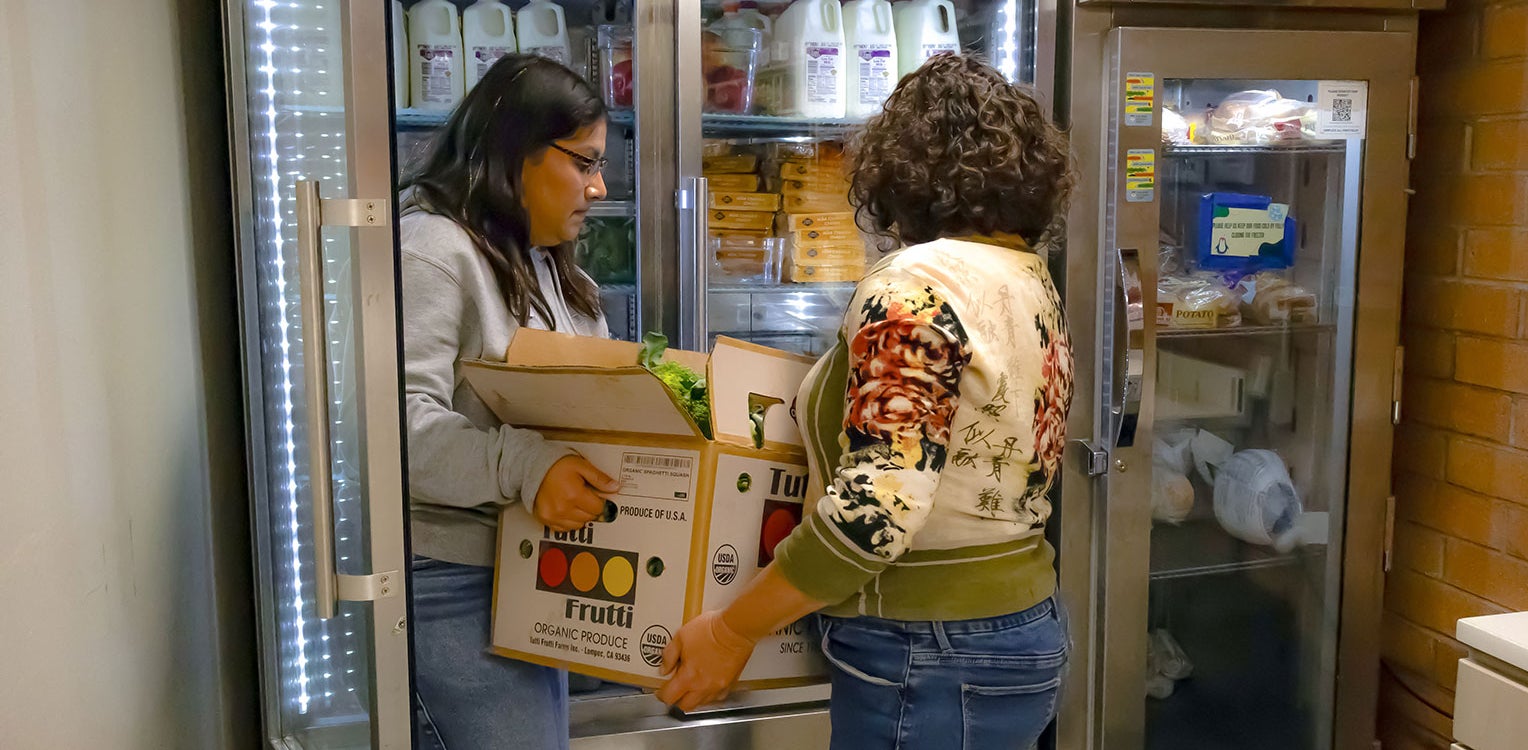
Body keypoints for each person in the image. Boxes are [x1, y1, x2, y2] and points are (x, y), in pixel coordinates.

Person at [655, 54, 1075, 750]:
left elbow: (876, 510)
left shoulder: (916, 285)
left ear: (900, 173)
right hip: (1021, 624)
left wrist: (733, 630)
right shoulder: (1027, 277)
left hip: (929, 648)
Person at [399, 54, 621, 750]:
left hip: (528, 575)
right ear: (519, 151)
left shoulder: (549, 261)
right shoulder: (433, 251)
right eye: (583, 162)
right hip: (451, 586)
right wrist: (528, 465)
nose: (600, 185)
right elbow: (394, 431)